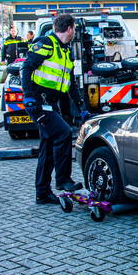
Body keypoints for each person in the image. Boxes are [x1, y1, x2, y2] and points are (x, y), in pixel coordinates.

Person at [21, 14, 87, 203]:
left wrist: (81, 107)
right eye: (74, 28)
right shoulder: (46, 43)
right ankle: (63, 180)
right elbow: (26, 69)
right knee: (63, 133)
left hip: (52, 103)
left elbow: (71, 83)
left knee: (48, 146)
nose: (74, 32)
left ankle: (42, 192)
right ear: (69, 29)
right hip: (39, 103)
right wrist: (29, 97)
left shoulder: (66, 51)